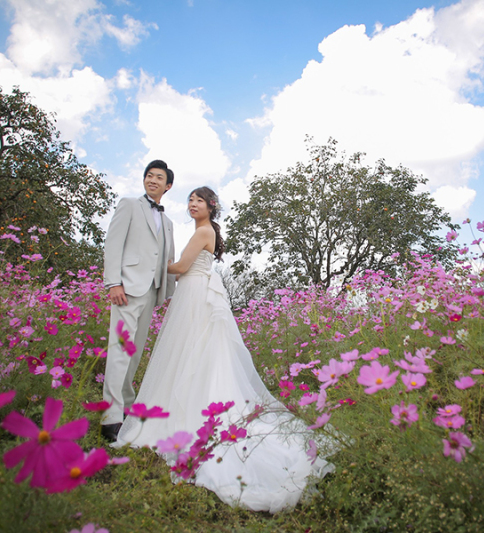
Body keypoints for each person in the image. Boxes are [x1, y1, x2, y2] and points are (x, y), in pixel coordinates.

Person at [116, 186, 333, 513]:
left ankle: (191, 411)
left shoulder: (204, 231)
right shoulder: (204, 231)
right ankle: (185, 404)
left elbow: (181, 267)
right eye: (190, 200)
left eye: (199, 200)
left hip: (195, 296)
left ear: (210, 207)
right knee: (191, 354)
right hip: (194, 293)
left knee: (191, 352)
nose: (192, 204)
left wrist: (152, 263)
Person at [101, 160, 176, 442]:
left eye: (159, 177)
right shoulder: (129, 205)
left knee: (134, 353)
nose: (152, 180)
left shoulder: (168, 223)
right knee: (120, 350)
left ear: (168, 186)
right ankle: (110, 418)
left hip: (151, 292)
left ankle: (127, 407)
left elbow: (166, 258)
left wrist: (167, 293)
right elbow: (113, 243)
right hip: (127, 288)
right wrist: (113, 282)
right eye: (149, 176)